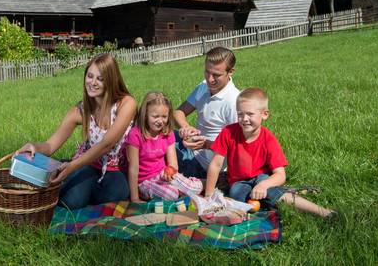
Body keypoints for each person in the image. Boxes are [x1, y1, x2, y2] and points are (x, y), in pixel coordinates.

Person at [15, 53, 136, 209]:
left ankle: (82, 184)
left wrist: (73, 166)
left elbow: (108, 143)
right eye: (90, 76)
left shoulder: (126, 103)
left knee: (116, 195)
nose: (92, 83)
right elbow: (51, 145)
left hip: (116, 168)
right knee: (71, 201)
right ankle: (78, 181)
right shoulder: (80, 111)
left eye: (100, 79)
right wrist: (34, 147)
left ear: (111, 81)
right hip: (87, 164)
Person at [204, 88, 336, 218]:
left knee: (270, 192)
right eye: (240, 114)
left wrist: (263, 185)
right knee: (236, 195)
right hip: (239, 181)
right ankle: (269, 201)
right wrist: (208, 196)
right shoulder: (228, 132)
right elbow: (216, 164)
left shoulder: (268, 140)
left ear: (264, 114)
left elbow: (280, 175)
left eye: (250, 114)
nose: (244, 119)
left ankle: (323, 212)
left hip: (262, 177)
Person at [174, 46, 240, 179]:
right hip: (193, 152)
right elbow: (178, 112)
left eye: (216, 75)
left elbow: (238, 148)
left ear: (231, 71)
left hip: (209, 167)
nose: (210, 79)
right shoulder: (203, 86)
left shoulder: (234, 102)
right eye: (207, 72)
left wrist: (205, 144)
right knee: (156, 135)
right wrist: (186, 128)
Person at [126, 92, 202, 202]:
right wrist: (134, 198)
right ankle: (180, 191)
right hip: (144, 181)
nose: (160, 121)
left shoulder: (167, 133)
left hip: (163, 174)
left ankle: (192, 186)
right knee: (171, 194)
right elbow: (133, 168)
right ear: (145, 114)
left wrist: (170, 172)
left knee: (195, 188)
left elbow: (173, 164)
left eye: (164, 116)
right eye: (155, 116)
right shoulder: (135, 134)